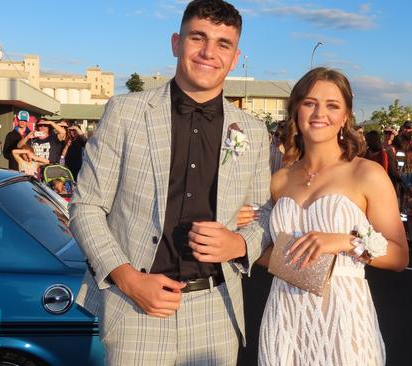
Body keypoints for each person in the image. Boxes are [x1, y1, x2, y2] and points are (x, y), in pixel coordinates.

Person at [69, 1, 271, 364]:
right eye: (198, 38)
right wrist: (128, 278)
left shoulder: (253, 132)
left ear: (236, 56)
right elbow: (86, 206)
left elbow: (263, 213)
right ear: (176, 43)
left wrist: (239, 243)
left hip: (216, 309)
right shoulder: (125, 112)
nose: (209, 52)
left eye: (223, 44)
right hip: (137, 306)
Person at [257, 67, 408, 366]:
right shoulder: (279, 179)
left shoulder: (366, 173)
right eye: (310, 102)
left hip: (344, 320)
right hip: (285, 315)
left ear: (345, 117)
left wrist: (342, 241)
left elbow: (399, 256)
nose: (319, 113)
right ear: (296, 110)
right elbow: (263, 251)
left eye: (332, 105)